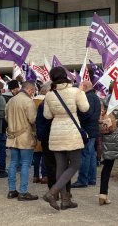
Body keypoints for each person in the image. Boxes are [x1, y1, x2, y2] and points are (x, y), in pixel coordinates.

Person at [42, 67, 90, 210]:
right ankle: (53, 192)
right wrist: (82, 92)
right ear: (65, 76)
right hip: (71, 131)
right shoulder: (76, 91)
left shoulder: (49, 95)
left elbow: (47, 116)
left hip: (56, 132)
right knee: (75, 165)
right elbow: (85, 108)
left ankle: (65, 200)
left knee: (61, 167)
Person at [5, 81, 39, 201]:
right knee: (25, 164)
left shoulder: (11, 100)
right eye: (33, 91)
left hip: (12, 137)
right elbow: (33, 119)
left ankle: (12, 190)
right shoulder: (28, 101)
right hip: (25, 137)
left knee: (13, 163)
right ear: (29, 90)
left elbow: (6, 117)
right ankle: (23, 192)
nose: (32, 94)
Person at [72, 80, 101, 188]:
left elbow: (86, 113)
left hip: (87, 130)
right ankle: (91, 178)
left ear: (84, 86)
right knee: (91, 154)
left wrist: (77, 120)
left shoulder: (87, 97)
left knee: (85, 155)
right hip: (93, 129)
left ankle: (83, 180)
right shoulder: (95, 97)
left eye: (80, 86)